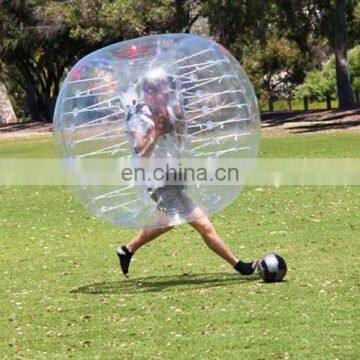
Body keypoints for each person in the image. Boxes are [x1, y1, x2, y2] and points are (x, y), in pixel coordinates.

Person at [117, 68, 258, 277]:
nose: (167, 94)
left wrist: (176, 123)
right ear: (149, 92)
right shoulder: (137, 116)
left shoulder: (167, 112)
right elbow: (142, 153)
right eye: (162, 91)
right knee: (196, 224)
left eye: (167, 90)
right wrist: (155, 130)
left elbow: (180, 143)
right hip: (158, 181)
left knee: (189, 224)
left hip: (173, 177)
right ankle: (241, 267)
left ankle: (127, 250)